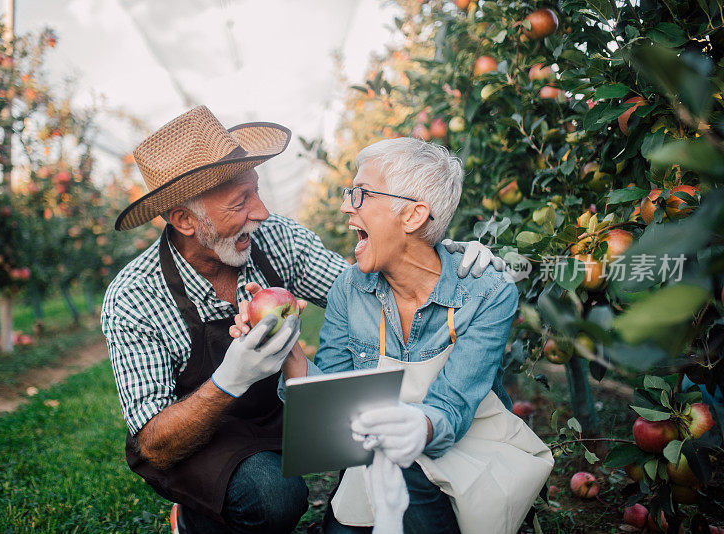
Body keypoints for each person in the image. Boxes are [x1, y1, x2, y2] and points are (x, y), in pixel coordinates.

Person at [101, 106, 505, 534]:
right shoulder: (133, 298)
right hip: (200, 437)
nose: (262, 212)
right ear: (184, 220)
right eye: (240, 203)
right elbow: (155, 444)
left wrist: (431, 250)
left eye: (255, 191)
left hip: (278, 411)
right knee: (272, 495)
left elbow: (364, 286)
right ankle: (197, 517)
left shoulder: (277, 239)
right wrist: (229, 381)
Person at [232, 137, 522, 533]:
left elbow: (451, 408)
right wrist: (289, 355)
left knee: (407, 472)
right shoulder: (350, 289)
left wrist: (411, 429)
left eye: (360, 194)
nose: (345, 205)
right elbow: (332, 408)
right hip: (379, 455)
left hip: (465, 453)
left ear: (413, 216)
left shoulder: (488, 293)